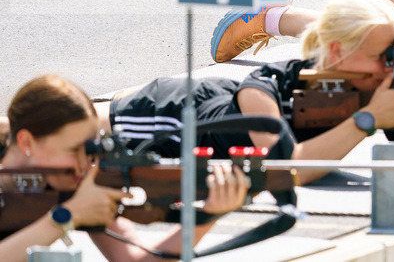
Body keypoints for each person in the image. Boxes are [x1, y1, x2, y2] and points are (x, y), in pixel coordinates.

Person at [97, 0, 394, 184]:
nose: (392, 66)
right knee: (71, 123)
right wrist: (367, 119)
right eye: (382, 55)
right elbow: (289, 169)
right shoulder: (266, 86)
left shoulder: (374, 89)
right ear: (337, 51)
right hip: (156, 115)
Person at [0, 75, 247, 262]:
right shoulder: (70, 197)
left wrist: (208, 215)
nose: (85, 164)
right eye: (73, 150)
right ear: (26, 143)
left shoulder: (76, 183)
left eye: (89, 150)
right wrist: (68, 216)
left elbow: (134, 260)